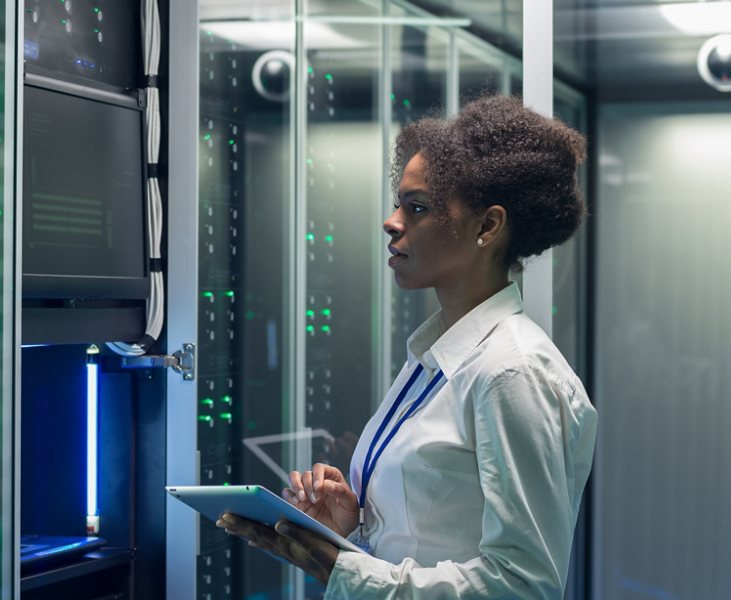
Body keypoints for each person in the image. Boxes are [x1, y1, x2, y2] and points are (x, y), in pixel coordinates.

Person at [216, 95, 597, 600]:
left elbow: (523, 585)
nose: (392, 222)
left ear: (488, 226)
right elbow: (436, 531)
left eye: (416, 208)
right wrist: (357, 526)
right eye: (399, 203)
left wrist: (345, 572)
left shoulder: (512, 372)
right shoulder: (440, 355)